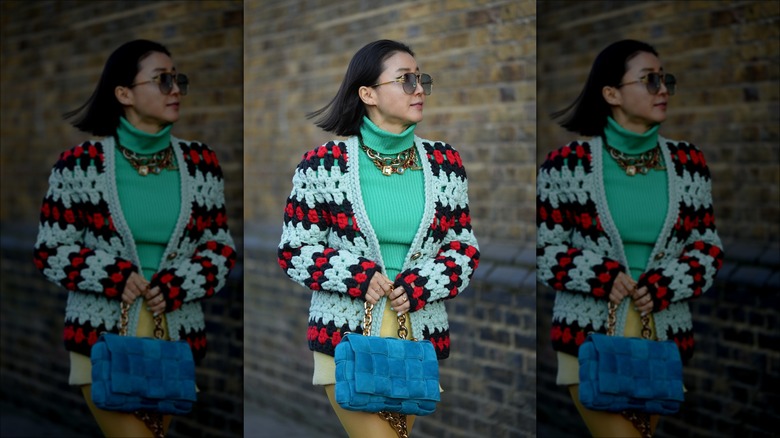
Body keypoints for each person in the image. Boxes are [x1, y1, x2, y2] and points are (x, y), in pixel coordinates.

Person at [32, 39, 236, 437]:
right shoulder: (80, 163)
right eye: (162, 80)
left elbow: (220, 247)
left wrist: (180, 283)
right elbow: (50, 250)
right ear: (124, 94)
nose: (175, 89)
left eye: (178, 80)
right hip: (100, 336)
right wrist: (113, 275)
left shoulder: (200, 163)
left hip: (174, 337)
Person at [278, 39, 480, 438]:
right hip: (344, 337)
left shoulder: (445, 163)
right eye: (406, 80)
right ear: (367, 94)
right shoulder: (325, 162)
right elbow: (295, 249)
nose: (419, 88)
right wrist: (357, 275)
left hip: (417, 338)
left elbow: (463, 248)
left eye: (421, 79)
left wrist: (422, 284)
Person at [536, 39, 724, 437]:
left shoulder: (689, 163)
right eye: (649, 80)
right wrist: (600, 274)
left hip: (662, 337)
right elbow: (544, 250)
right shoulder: (566, 164)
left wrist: (667, 283)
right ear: (611, 93)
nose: (662, 90)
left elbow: (707, 247)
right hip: (587, 338)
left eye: (665, 80)